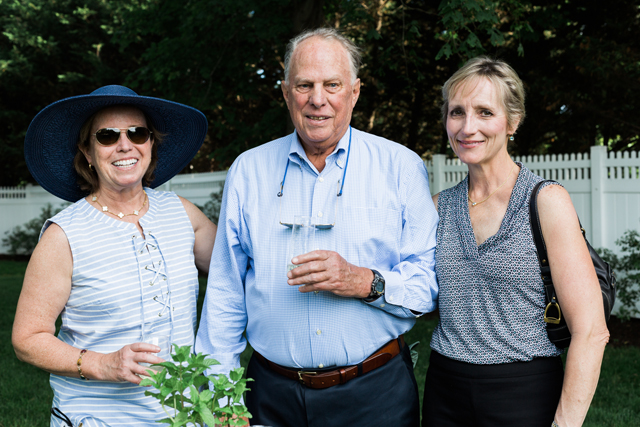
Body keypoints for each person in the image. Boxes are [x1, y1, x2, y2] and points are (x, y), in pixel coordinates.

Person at [196, 27, 438, 427]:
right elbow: (225, 293)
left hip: (375, 394)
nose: (317, 99)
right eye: (304, 85)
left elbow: (427, 285)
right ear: (286, 92)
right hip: (271, 395)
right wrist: (222, 398)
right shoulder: (249, 171)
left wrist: (362, 281)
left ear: (354, 92)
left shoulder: (400, 167)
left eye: (332, 85)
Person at [12, 85, 217, 426]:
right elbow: (27, 339)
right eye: (107, 136)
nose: (125, 145)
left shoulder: (181, 213)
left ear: (151, 143)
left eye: (138, 133)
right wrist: (102, 364)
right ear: (88, 152)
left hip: (182, 415)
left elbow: (239, 271)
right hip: (98, 417)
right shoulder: (64, 235)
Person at [423, 57, 610, 427]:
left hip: (525, 394)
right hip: (444, 392)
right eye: (457, 112)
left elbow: (591, 331)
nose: (467, 127)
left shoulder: (546, 201)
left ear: (513, 121)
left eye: (484, 112)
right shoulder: (437, 207)